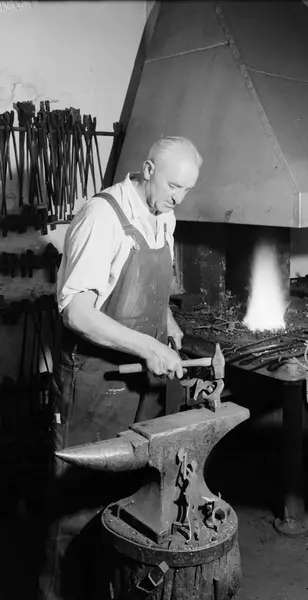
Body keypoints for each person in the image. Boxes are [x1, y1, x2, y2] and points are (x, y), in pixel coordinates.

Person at [38, 136, 202, 600]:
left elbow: (153, 291)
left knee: (127, 500)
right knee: (75, 509)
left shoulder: (164, 215)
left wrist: (168, 327)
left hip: (142, 386)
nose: (178, 198)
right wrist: (147, 345)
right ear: (147, 169)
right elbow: (77, 312)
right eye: (173, 185)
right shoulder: (102, 216)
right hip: (95, 383)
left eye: (187, 189)